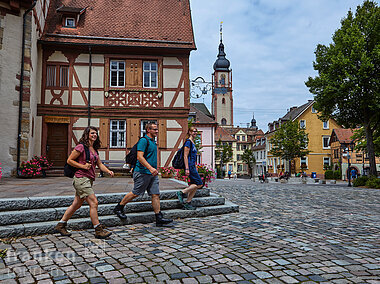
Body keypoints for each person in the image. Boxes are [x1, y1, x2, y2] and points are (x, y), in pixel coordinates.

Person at [55, 126, 114, 239]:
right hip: (81, 179)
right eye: (92, 133)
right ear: (86, 135)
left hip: (89, 179)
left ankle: (61, 225)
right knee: (94, 202)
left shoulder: (94, 150)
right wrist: (82, 166)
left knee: (76, 204)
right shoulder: (81, 147)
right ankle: (98, 230)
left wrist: (108, 171)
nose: (94, 135)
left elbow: (99, 164)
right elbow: (69, 160)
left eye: (96, 133)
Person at [113, 123, 173, 226]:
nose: (157, 131)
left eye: (157, 129)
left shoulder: (153, 142)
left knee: (155, 194)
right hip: (142, 172)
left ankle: (159, 217)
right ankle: (119, 207)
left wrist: (153, 169)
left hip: (152, 174)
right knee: (136, 193)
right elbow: (139, 157)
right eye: (155, 129)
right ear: (148, 130)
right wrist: (150, 168)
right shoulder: (143, 141)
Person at [176, 126, 204, 210]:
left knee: (194, 185)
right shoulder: (188, 142)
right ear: (190, 132)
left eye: (196, 131)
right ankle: (181, 192)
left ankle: (188, 202)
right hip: (189, 166)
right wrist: (187, 168)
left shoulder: (192, 142)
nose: (195, 133)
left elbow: (193, 156)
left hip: (192, 166)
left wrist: (196, 166)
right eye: (193, 131)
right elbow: (185, 156)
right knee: (199, 184)